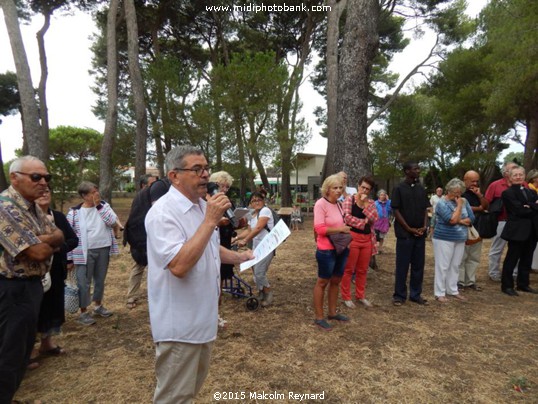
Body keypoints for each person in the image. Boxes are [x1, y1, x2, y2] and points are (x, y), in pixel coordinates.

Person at [145, 145, 253, 403]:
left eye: (206, 168)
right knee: (174, 398)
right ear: (174, 176)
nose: (206, 175)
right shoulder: (163, 213)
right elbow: (179, 266)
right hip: (179, 327)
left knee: (189, 392)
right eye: (196, 169)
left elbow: (207, 246)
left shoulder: (198, 207)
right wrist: (210, 221)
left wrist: (239, 257)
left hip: (201, 321)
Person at [0, 156, 65, 402]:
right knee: (9, 353)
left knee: (21, 352)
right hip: (12, 290)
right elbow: (37, 252)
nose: (43, 183)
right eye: (36, 177)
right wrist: (44, 240)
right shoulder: (5, 207)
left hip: (30, 288)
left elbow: (58, 234)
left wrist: (42, 238)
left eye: (47, 177)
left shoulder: (32, 206)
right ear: (14, 178)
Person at [67, 181, 120, 325]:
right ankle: (84, 312)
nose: (96, 194)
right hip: (83, 252)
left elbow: (112, 222)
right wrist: (69, 259)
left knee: (100, 280)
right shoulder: (74, 212)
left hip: (103, 248)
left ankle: (98, 306)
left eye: (96, 190)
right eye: (92, 192)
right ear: (84, 195)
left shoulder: (104, 206)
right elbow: (69, 236)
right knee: (83, 282)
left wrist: (99, 206)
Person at [34, 187, 78, 359]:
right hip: (34, 272)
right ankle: (30, 349)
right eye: (40, 191)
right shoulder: (27, 219)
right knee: (35, 308)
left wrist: (60, 248)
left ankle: (47, 343)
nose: (44, 194)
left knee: (52, 306)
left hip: (56, 270)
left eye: (47, 191)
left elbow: (73, 239)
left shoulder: (58, 217)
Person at [125, 174, 170, 310]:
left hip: (153, 235)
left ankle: (160, 295)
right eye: (151, 184)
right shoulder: (141, 198)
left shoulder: (156, 195)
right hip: (140, 236)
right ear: (144, 186)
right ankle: (131, 296)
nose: (155, 186)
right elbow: (136, 219)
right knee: (138, 266)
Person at [312, 174, 351, 331]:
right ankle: (319, 317)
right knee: (322, 282)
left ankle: (332, 312)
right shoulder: (320, 204)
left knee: (336, 280)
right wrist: (340, 229)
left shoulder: (340, 204)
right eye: (335, 188)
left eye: (340, 187)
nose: (339, 190)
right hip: (326, 250)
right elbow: (319, 228)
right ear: (327, 189)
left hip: (341, 248)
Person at [391, 162, 431, 306]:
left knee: (418, 266)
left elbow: (425, 209)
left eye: (419, 168)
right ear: (407, 171)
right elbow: (395, 210)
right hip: (405, 235)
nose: (418, 171)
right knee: (402, 265)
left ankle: (415, 294)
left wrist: (425, 225)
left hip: (419, 234)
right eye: (415, 169)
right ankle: (399, 295)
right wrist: (408, 228)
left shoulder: (420, 188)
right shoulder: (398, 188)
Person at [432, 178, 474, 303]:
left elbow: (471, 218)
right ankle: (439, 292)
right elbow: (451, 220)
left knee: (455, 265)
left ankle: (452, 290)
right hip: (443, 238)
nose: (457, 195)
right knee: (443, 266)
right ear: (448, 190)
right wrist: (459, 207)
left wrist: (459, 219)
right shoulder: (442, 203)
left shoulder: (464, 201)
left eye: (460, 192)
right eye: (455, 192)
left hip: (460, 238)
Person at [341, 176, 378, 309]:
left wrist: (366, 206)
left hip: (367, 239)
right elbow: (347, 218)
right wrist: (364, 222)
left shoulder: (371, 203)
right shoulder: (349, 200)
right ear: (358, 186)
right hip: (353, 238)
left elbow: (374, 219)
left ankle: (360, 295)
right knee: (349, 269)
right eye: (363, 187)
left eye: (367, 189)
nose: (364, 190)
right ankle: (346, 296)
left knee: (362, 270)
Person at [500, 166, 538, 296]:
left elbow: (532, 208)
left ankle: (523, 284)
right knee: (512, 258)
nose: (518, 177)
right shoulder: (507, 193)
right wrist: (532, 207)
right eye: (515, 175)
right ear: (509, 177)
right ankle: (507, 285)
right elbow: (519, 210)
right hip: (517, 231)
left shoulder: (532, 192)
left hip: (532, 230)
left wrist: (530, 206)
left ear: (524, 176)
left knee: (527, 258)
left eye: (520, 174)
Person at [484, 162, 524, 282]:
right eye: (513, 169)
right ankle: (494, 272)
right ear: (506, 173)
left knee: (517, 249)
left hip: (519, 222)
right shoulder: (495, 185)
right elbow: (487, 202)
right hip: (501, 221)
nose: (516, 173)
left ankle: (515, 273)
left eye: (518, 170)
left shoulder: (524, 185)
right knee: (497, 248)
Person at [235, 192, 275, 307]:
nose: (256, 202)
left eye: (259, 200)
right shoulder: (252, 215)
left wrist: (245, 240)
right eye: (253, 200)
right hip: (256, 247)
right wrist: (236, 238)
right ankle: (261, 293)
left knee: (259, 272)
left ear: (263, 201)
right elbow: (249, 230)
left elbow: (258, 228)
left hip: (267, 246)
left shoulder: (265, 211)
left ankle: (268, 293)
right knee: (255, 272)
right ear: (250, 204)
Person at [208, 171, 238, 326]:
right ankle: (210, 316)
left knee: (219, 281)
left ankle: (216, 315)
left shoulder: (228, 203)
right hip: (211, 244)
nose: (225, 189)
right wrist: (218, 223)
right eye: (221, 186)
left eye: (227, 187)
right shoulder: (207, 202)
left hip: (225, 244)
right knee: (210, 282)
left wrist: (239, 222)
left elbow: (233, 224)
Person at [458, 170, 489, 291]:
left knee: (474, 257)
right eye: (472, 181)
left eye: (477, 181)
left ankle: (470, 281)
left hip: (478, 228)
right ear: (465, 181)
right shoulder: (460, 193)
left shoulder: (478, 193)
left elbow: (486, 206)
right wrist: (479, 208)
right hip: (464, 228)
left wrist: (480, 196)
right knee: (462, 256)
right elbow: (460, 206)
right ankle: (460, 281)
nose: (475, 183)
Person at [373, 189, 392, 253]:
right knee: (376, 236)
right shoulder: (375, 203)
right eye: (381, 195)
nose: (383, 196)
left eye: (384, 195)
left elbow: (390, 209)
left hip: (384, 222)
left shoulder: (387, 203)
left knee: (382, 236)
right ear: (379, 196)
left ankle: (380, 248)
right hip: (377, 222)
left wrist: (388, 200)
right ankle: (375, 248)